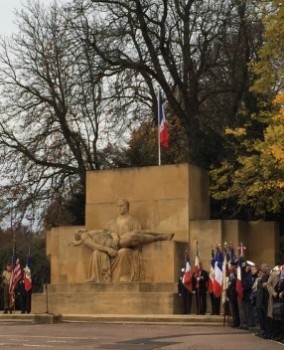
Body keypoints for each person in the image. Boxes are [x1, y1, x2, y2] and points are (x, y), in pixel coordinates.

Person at [70, 199, 174, 283]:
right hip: (115, 247)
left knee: (137, 234)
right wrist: (108, 249)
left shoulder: (133, 221)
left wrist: (114, 235)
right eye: (118, 206)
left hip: (124, 244)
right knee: (120, 250)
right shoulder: (87, 237)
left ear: (127, 207)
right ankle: (160, 237)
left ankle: (161, 235)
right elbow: (94, 245)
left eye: (122, 206)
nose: (120, 208)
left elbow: (105, 232)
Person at [227, 260, 240, 328]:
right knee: (232, 310)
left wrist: (230, 284)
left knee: (235, 309)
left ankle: (236, 322)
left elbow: (234, 282)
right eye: (231, 266)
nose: (231, 267)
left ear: (235, 266)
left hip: (235, 293)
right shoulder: (231, 273)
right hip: (231, 293)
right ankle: (234, 321)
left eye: (232, 266)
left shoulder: (236, 273)